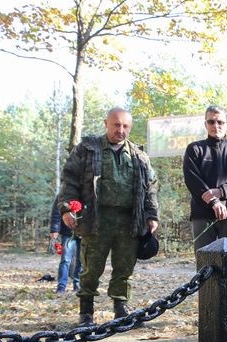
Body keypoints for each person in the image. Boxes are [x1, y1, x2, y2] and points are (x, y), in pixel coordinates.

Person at [60, 106, 159, 326]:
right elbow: (69, 180)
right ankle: (86, 311)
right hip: (96, 219)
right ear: (106, 123)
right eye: (116, 124)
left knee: (124, 268)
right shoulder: (87, 149)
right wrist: (67, 208)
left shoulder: (139, 155)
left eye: (125, 126)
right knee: (91, 268)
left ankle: (121, 309)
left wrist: (152, 215)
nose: (120, 130)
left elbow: (150, 186)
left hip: (129, 220)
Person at [182, 106, 227, 264]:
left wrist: (221, 191)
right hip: (202, 214)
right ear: (205, 124)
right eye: (211, 121)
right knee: (205, 267)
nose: (216, 126)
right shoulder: (194, 149)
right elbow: (192, 180)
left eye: (220, 122)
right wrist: (213, 201)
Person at [49, 194, 82, 294]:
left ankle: (78, 285)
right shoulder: (63, 195)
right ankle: (61, 286)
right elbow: (56, 213)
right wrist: (54, 230)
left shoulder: (87, 193)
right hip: (68, 233)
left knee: (81, 260)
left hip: (83, 232)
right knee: (65, 260)